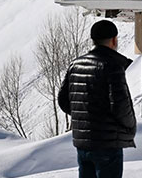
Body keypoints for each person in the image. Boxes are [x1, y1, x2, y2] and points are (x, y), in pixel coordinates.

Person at [57, 19, 136, 178]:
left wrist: (85, 116)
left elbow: (63, 101)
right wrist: (131, 127)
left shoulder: (76, 64)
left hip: (83, 144)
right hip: (107, 144)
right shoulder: (112, 66)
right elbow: (120, 105)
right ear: (114, 40)